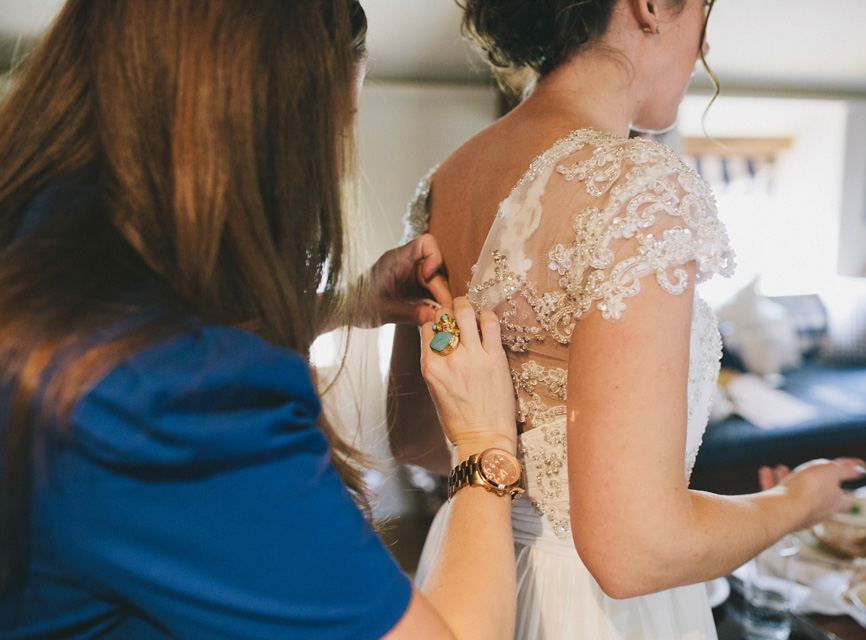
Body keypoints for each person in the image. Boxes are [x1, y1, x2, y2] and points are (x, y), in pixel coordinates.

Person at [0, 1, 521, 638]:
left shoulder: (37, 245)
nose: (338, 165)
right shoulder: (185, 398)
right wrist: (484, 447)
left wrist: (340, 305)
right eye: (336, 129)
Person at [388, 1, 865, 638]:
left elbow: (418, 439)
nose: (703, 51)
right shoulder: (635, 187)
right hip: (585, 610)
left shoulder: (448, 180)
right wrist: (795, 502)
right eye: (704, 15)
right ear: (648, 6)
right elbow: (638, 550)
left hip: (471, 567)